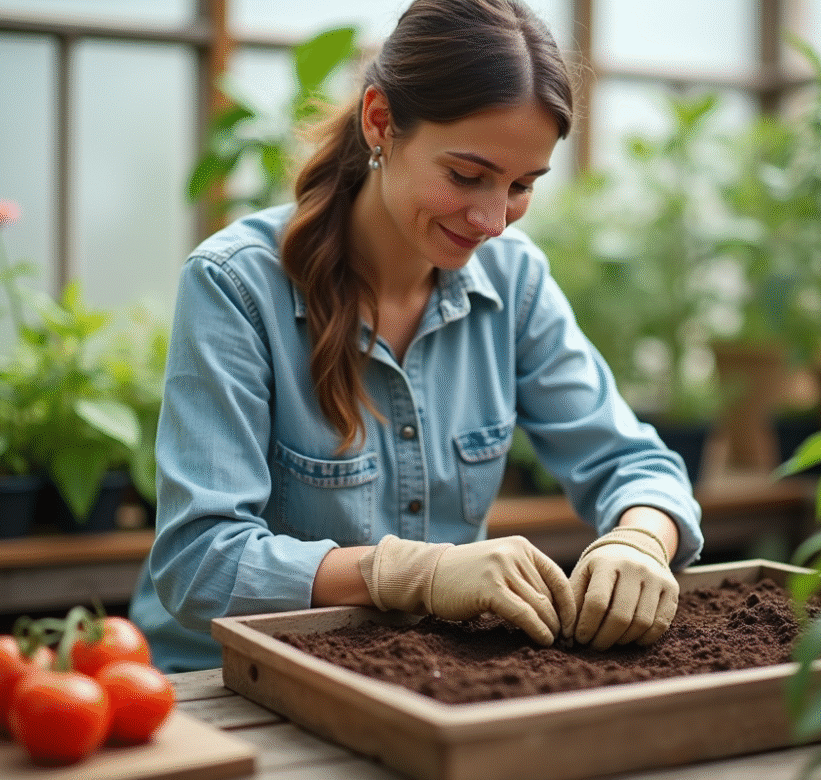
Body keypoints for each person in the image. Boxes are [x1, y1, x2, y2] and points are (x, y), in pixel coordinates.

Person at [129, 0, 703, 674]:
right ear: (381, 122)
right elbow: (199, 562)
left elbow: (635, 464)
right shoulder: (238, 286)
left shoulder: (513, 284)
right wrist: (412, 573)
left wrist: (639, 540)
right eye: (466, 175)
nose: (493, 219)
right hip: (230, 681)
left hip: (415, 676)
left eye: (522, 185)